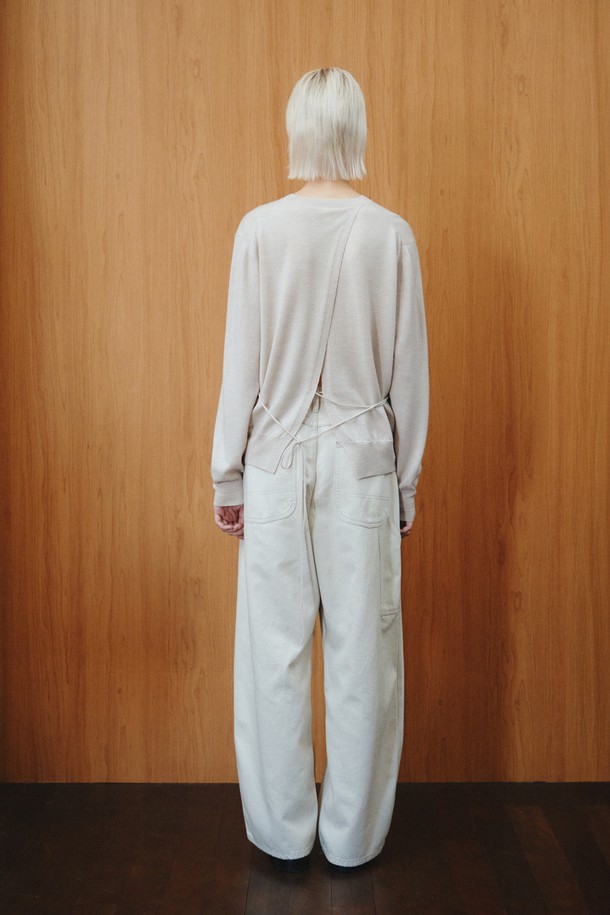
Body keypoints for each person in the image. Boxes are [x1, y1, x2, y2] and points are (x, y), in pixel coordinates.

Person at [211, 67, 429, 874]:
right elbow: (409, 376)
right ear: (356, 127)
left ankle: (283, 833)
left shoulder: (259, 231)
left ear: (298, 128)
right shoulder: (390, 235)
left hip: (274, 461)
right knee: (363, 652)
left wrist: (228, 474)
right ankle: (352, 837)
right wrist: (405, 483)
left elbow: (240, 367)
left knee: (274, 652)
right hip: (362, 464)